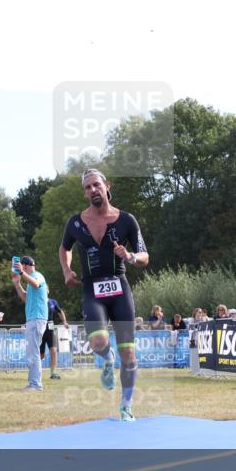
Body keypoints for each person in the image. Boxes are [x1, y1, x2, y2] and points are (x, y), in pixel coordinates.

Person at [60, 168, 149, 422]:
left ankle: (126, 406)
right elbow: (64, 247)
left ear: (106, 185)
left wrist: (130, 257)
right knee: (98, 342)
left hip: (119, 289)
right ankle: (107, 359)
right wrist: (67, 270)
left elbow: (144, 255)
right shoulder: (76, 222)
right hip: (92, 288)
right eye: (87, 188)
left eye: (96, 185)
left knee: (129, 355)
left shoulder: (126, 220)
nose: (92, 191)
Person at [12, 255, 49, 391]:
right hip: (34, 319)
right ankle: (34, 383)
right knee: (32, 351)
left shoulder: (37, 275)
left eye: (21, 267)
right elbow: (25, 297)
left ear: (25, 266)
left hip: (37, 318)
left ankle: (35, 384)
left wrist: (21, 273)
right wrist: (17, 284)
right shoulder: (30, 279)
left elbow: (36, 283)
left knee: (33, 352)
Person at [41, 295, 69, 380]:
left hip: (51, 327)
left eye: (47, 289)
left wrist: (64, 322)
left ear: (48, 291)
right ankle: (36, 372)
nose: (45, 290)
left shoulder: (53, 301)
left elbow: (60, 311)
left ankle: (53, 373)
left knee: (53, 350)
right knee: (40, 355)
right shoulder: (38, 300)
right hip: (40, 327)